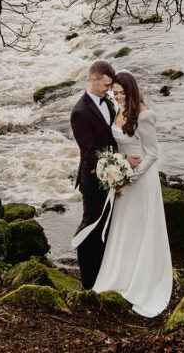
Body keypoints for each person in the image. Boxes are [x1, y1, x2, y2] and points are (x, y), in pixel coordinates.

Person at [88, 71, 172, 316]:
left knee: (139, 228)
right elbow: (118, 145)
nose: (118, 97)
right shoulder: (117, 108)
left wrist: (130, 177)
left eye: (122, 93)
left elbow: (153, 154)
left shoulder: (145, 115)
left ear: (132, 91)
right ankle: (120, 276)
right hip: (122, 177)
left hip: (141, 181)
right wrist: (117, 166)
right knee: (123, 228)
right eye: (115, 93)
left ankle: (140, 281)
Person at [70, 60, 118, 283]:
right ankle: (88, 281)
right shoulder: (80, 112)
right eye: (106, 85)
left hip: (112, 177)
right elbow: (89, 153)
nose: (109, 90)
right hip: (93, 179)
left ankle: (103, 274)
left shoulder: (107, 102)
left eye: (110, 86)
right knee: (90, 228)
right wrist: (115, 170)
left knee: (107, 228)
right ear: (93, 79)